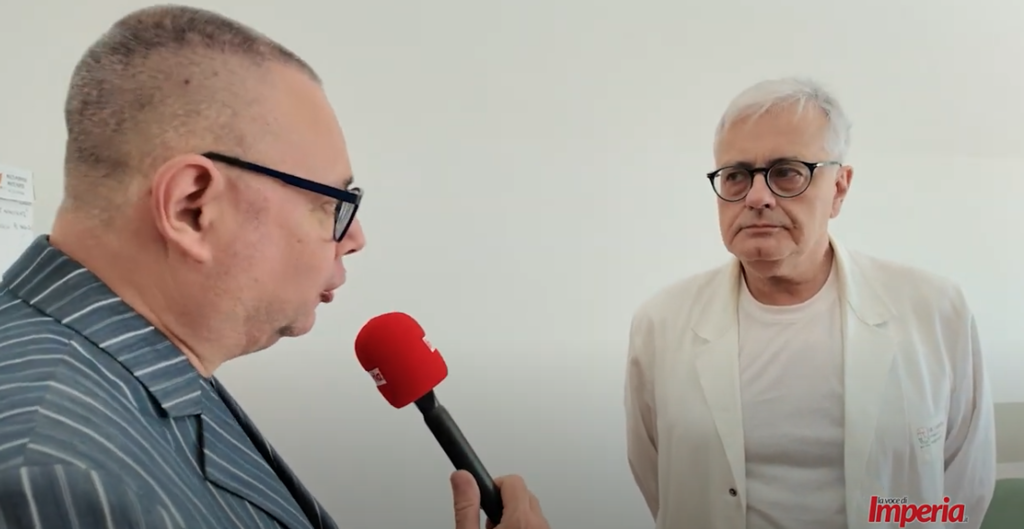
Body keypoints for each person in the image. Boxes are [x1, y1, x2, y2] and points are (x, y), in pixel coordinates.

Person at [0, 5, 549, 529]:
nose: (356, 238)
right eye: (332, 204)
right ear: (193, 207)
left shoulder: (133, 365)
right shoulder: (55, 478)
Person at [623, 77, 997, 529]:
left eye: (786, 172)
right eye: (736, 175)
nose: (756, 197)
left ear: (839, 187)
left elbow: (965, 485)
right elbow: (661, 483)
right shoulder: (661, 325)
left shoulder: (936, 311)